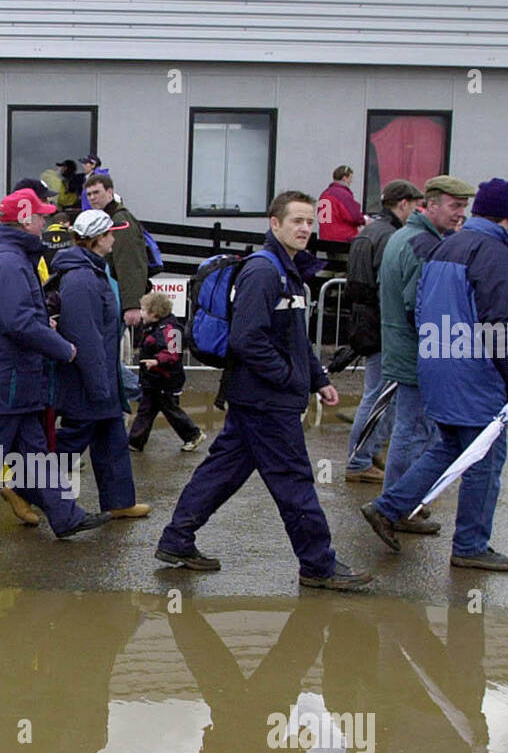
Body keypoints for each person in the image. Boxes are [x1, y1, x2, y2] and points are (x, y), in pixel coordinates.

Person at [155, 190, 371, 589]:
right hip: (265, 401)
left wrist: (318, 380)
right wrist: (290, 379)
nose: (306, 228)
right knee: (293, 481)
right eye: (297, 221)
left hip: (259, 397)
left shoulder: (287, 271)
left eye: (310, 222)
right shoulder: (263, 272)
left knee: (222, 471)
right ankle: (318, 565)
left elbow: (295, 339)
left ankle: (176, 539)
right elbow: (247, 339)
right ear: (275, 224)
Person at [361, 178, 508, 573]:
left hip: (437, 362)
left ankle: (388, 506)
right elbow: (498, 323)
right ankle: (471, 545)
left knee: (447, 447)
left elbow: (418, 307)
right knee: (486, 459)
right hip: (472, 372)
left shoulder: (447, 245)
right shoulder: (493, 254)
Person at [0, 187, 108, 546]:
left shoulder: (11, 257)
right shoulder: (8, 262)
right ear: (26, 220)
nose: (46, 221)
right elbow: (18, 322)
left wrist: (44, 329)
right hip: (6, 378)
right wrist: (64, 349)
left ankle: (66, 516)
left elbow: (17, 318)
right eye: (42, 216)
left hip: (14, 378)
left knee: (34, 454)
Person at [376, 174, 475, 523]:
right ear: (430, 205)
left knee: (410, 429)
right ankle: (399, 507)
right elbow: (418, 306)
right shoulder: (422, 244)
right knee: (415, 431)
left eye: (464, 206)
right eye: (454, 206)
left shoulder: (406, 236)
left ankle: (398, 503)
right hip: (418, 353)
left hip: (406, 349)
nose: (460, 213)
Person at [50, 208, 150, 520]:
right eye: (109, 233)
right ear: (95, 240)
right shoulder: (82, 277)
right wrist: (98, 382)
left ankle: (120, 500)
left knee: (111, 438)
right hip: (90, 376)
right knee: (75, 438)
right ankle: (20, 484)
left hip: (100, 373)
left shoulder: (90, 270)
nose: (113, 238)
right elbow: (85, 336)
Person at [343, 179, 424, 482]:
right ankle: (360, 459)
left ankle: (368, 451)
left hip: (366, 324)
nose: (418, 211)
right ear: (403, 204)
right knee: (379, 396)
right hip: (381, 327)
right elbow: (387, 286)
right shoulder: (392, 236)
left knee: (378, 394)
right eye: (415, 205)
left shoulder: (369, 232)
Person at [127, 290, 202, 452]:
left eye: (143, 309)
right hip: (154, 379)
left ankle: (193, 434)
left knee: (170, 411)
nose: (140, 312)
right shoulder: (155, 326)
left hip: (164, 379)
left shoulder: (170, 329)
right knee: (147, 410)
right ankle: (135, 441)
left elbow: (173, 354)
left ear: (154, 313)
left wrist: (156, 361)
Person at [82, 173, 147, 333]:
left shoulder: (120, 221)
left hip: (118, 298)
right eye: (89, 194)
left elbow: (130, 263)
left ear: (110, 192)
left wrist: (131, 305)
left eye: (97, 192)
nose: (92, 198)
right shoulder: (105, 220)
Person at [317, 165, 367, 243]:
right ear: (345, 178)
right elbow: (354, 216)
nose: (351, 181)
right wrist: (365, 220)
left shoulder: (324, 194)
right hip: (342, 239)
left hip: (325, 238)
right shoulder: (343, 195)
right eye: (350, 178)